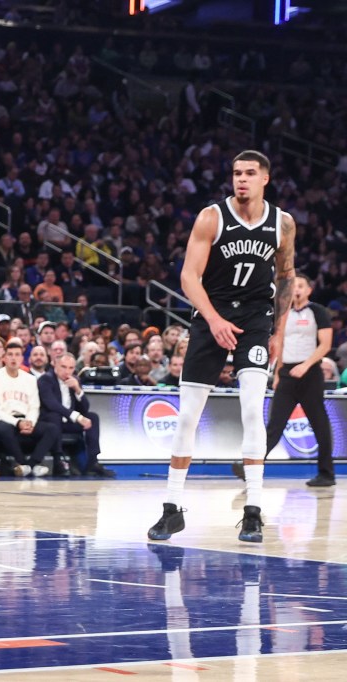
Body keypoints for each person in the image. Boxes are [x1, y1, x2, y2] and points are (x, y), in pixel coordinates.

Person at [148, 150, 295, 544]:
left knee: (251, 408)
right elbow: (188, 277)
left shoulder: (283, 223)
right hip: (212, 313)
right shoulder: (211, 216)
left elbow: (286, 277)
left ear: (266, 178)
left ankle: (253, 512)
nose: (241, 179)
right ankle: (171, 508)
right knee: (187, 416)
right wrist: (213, 319)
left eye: (249, 173)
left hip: (254, 320)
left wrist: (278, 331)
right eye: (236, 173)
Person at [232, 275, 335, 487]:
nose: (296, 289)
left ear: (309, 290)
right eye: (294, 286)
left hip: (310, 373)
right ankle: (252, 468)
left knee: (320, 424)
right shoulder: (283, 314)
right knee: (275, 425)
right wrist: (278, 373)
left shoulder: (318, 312)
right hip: (287, 373)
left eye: (300, 286)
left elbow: (325, 345)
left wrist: (306, 365)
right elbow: (281, 344)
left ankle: (326, 474)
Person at [0, 339, 61, 477]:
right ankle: (22, 463)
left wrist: (29, 422)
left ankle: (31, 464)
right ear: (4, 357)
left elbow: (34, 406)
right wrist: (17, 423)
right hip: (2, 420)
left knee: (52, 428)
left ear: (22, 358)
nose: (13, 358)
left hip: (25, 419)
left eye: (17, 354)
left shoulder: (30, 379)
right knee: (4, 428)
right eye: (10, 354)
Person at [38, 352, 115, 477]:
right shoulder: (45, 379)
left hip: (68, 422)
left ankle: (93, 462)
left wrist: (77, 389)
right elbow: (52, 405)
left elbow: (85, 408)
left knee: (93, 417)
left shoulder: (74, 380)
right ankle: (59, 461)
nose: (67, 371)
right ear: (55, 365)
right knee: (54, 416)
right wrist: (77, 417)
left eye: (71, 368)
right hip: (50, 422)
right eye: (63, 367)